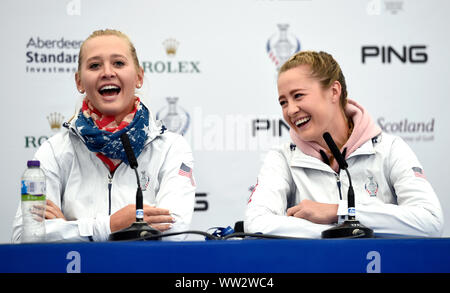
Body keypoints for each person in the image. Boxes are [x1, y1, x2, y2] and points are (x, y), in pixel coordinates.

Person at [12, 29, 196, 242]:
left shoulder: (171, 147)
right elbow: (24, 236)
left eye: (118, 63)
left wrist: (68, 230)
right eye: (94, 65)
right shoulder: (54, 151)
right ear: (79, 81)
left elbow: (174, 232)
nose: (107, 72)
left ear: (138, 77)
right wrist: (110, 225)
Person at [245, 51, 443, 238]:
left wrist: (338, 212)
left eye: (298, 96)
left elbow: (430, 221)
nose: (291, 110)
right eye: (283, 102)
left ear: (333, 91)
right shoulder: (282, 158)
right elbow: (257, 223)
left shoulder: (389, 149)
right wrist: (340, 231)